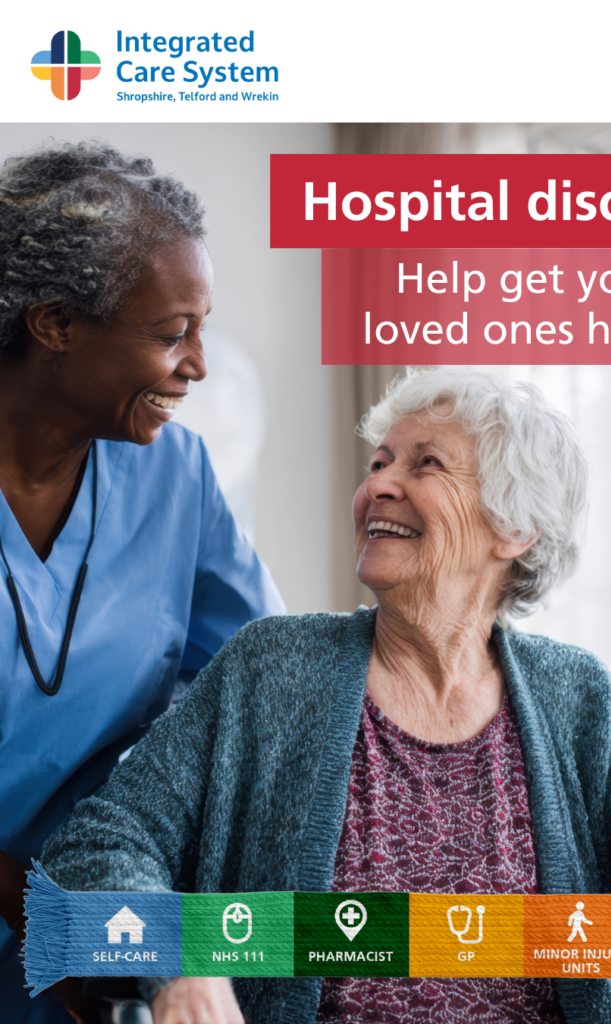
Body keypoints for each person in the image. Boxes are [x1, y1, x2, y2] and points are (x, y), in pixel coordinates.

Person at [41, 370, 611, 1024]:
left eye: (426, 463)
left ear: (513, 529)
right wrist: (180, 958)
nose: (378, 483)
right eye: (378, 461)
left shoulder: (575, 700)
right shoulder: (270, 669)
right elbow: (97, 846)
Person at [0, 141, 285, 1023]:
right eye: (171, 335)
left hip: (93, 935)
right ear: (54, 324)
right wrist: (57, 922)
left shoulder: (176, 478)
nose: (199, 365)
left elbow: (267, 691)